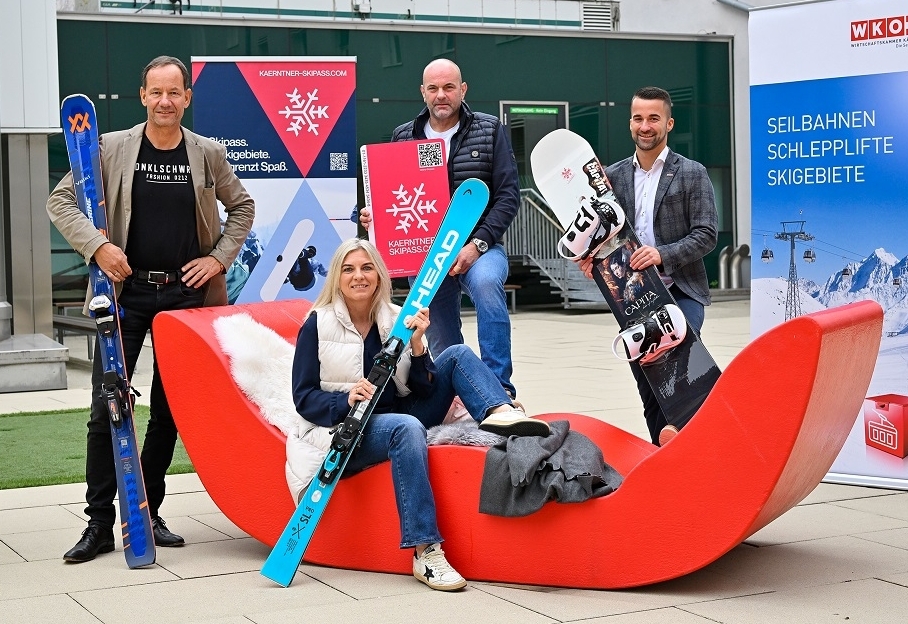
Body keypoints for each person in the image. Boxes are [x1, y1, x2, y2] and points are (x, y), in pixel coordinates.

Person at [47, 55, 255, 562]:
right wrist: (98, 246)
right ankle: (97, 522)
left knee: (167, 412)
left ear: (187, 98)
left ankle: (146, 512)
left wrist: (216, 259)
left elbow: (242, 207)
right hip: (126, 294)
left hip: (186, 299)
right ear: (143, 96)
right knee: (105, 409)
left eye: (174, 93)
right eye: (156, 93)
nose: (165, 102)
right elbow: (61, 201)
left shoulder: (207, 153)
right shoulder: (112, 147)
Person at [289, 238, 549, 591]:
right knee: (406, 427)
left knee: (455, 353)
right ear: (336, 277)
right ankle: (426, 551)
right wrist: (346, 399)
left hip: (398, 413)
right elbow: (303, 398)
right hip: (346, 432)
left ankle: (498, 411)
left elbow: (423, 390)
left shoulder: (395, 318)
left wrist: (418, 346)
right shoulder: (317, 324)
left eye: (367, 268)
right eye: (349, 269)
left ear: (379, 276)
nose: (359, 277)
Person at [358, 59, 521, 402]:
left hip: (479, 246)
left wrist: (477, 245)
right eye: (433, 88)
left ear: (463, 90)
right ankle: (458, 394)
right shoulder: (405, 135)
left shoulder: (489, 129)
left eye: (449, 87)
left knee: (487, 283)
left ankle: (498, 386)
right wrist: (378, 219)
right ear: (423, 92)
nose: (441, 95)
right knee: (438, 328)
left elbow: (508, 196)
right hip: (427, 255)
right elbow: (393, 196)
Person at [581, 86, 717, 447]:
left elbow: (707, 234)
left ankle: (687, 442)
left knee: (677, 365)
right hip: (632, 297)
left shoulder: (691, 173)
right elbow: (599, 235)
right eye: (639, 118)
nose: (646, 126)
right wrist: (590, 260)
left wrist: (661, 254)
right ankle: (663, 450)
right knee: (648, 383)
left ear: (668, 123)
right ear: (630, 124)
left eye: (654, 118)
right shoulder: (612, 177)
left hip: (681, 289)